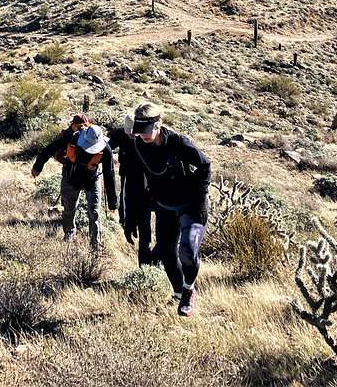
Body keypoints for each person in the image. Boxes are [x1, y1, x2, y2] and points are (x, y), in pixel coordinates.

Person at [125, 102, 210, 318]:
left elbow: (205, 165)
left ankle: (189, 291)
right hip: (165, 205)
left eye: (145, 131)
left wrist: (196, 192)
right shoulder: (139, 145)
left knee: (188, 252)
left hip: (191, 204)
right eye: (138, 131)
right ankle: (180, 293)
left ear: (158, 124)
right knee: (167, 254)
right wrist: (131, 216)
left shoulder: (179, 143)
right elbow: (135, 181)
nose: (142, 135)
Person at [31, 113, 117, 251]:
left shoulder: (105, 149)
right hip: (71, 178)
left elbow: (109, 174)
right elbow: (49, 149)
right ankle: (69, 235)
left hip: (92, 179)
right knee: (69, 209)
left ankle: (96, 246)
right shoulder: (71, 138)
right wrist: (37, 166)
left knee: (94, 212)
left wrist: (112, 202)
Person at [107, 118, 157, 266]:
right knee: (129, 203)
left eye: (134, 133)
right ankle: (145, 266)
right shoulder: (119, 134)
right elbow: (108, 148)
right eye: (129, 133)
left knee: (155, 231)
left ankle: (154, 263)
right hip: (129, 177)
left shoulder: (148, 140)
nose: (132, 136)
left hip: (149, 184)